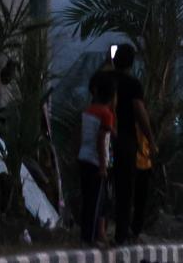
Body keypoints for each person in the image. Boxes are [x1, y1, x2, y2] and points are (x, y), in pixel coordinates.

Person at [108, 45, 157, 245]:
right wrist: (151, 139)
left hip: (104, 138)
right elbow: (139, 111)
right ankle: (126, 234)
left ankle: (106, 232)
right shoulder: (132, 84)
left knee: (110, 188)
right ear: (132, 62)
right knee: (128, 189)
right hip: (126, 139)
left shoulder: (106, 81)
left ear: (114, 60)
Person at [78, 74, 116, 245]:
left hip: (83, 158)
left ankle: (85, 235)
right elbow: (101, 139)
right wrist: (103, 165)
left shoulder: (88, 110)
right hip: (95, 162)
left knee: (87, 200)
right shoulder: (106, 114)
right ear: (112, 96)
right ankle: (90, 238)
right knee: (96, 202)